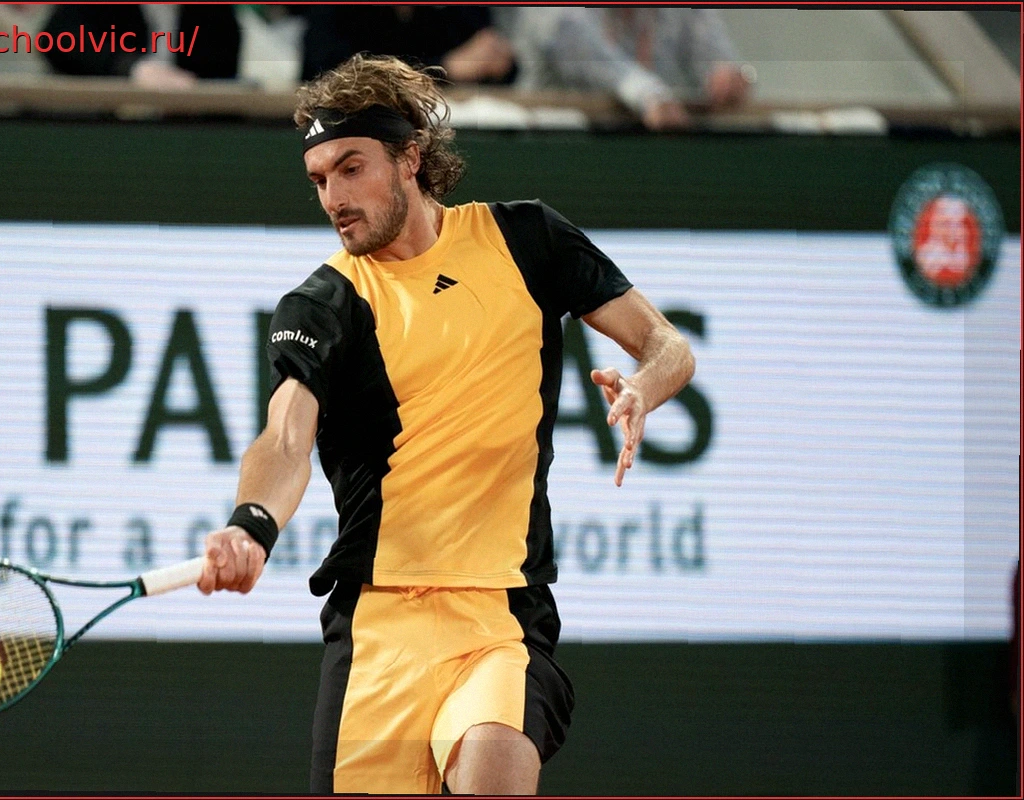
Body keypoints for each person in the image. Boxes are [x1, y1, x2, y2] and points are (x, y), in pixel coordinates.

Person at [197, 54, 695, 794]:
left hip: (501, 617)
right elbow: (286, 437)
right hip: (376, 630)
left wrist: (644, 388)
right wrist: (251, 524)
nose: (334, 197)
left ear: (411, 157)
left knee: (494, 764)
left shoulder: (527, 240)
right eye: (319, 179)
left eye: (352, 168)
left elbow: (667, 345)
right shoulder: (324, 304)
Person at [502, 7, 750, 130]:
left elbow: (719, 58)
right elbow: (583, 50)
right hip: (553, 153)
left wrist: (730, 76)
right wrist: (650, 95)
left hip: (649, 157)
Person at [297, 6, 515, 85]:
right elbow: (326, 71)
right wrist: (444, 68)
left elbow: (492, 61)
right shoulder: (336, 11)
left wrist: (500, 62)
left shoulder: (451, 11)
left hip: (444, 131)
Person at [40, 4, 239, 90]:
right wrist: (131, 68)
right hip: (99, 127)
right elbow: (57, 38)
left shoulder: (212, 12)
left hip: (182, 136)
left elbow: (222, 68)